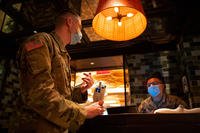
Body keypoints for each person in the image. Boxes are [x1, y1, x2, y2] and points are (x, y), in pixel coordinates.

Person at [13, 9, 104, 133]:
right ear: (69, 22)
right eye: (80, 26)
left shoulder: (63, 53)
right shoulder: (41, 42)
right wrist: (83, 112)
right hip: (38, 127)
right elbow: (40, 94)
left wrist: (80, 90)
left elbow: (61, 94)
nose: (80, 32)